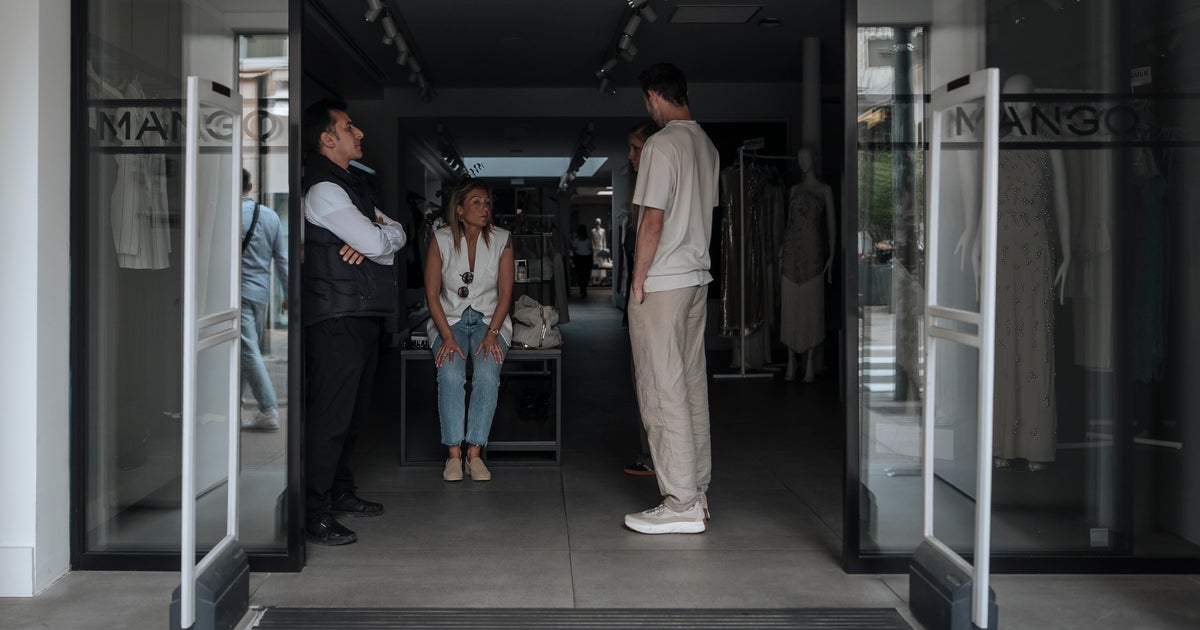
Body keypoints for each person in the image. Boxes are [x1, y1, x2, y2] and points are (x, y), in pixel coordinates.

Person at [301, 98, 408, 546]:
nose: (359, 132)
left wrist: (377, 238)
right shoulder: (326, 190)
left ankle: (339, 492)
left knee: (353, 415)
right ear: (327, 139)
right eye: (349, 128)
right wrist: (376, 240)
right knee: (332, 417)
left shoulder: (351, 187)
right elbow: (381, 245)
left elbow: (397, 233)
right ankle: (313, 511)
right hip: (336, 317)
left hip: (358, 313)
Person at [624, 63, 719, 535]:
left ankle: (680, 501)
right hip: (697, 277)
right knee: (691, 385)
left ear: (653, 97)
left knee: (661, 389)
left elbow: (654, 220)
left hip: (664, 280)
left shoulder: (662, 145)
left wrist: (637, 281)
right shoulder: (707, 146)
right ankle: (696, 490)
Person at [425, 178, 515, 483]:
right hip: (449, 319)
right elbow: (432, 293)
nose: (484, 208)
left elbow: (506, 293)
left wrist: (492, 333)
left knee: (487, 372)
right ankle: (453, 455)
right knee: (450, 372)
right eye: (476, 202)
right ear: (459, 210)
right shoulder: (440, 239)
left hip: (490, 319)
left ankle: (474, 453)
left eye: (487, 202)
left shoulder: (502, 239)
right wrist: (447, 338)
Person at [621, 119, 659, 477]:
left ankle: (655, 457)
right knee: (643, 377)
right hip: (643, 293)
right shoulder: (640, 192)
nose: (631, 156)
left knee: (651, 378)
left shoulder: (656, 192)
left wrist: (637, 287)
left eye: (636, 148)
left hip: (651, 293)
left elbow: (653, 232)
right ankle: (651, 453)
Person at [781, 146, 835, 383]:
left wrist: (832, 255)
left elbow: (831, 225)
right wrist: (782, 249)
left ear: (814, 158)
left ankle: (810, 361)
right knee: (790, 304)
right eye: (799, 158)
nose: (802, 162)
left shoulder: (824, 190)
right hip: (791, 251)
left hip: (813, 251)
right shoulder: (794, 190)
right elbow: (788, 223)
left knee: (811, 304)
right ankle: (791, 359)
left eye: (805, 157)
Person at [239, 169, 288, 431]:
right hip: (260, 294)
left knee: (248, 352)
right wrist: (289, 294)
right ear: (250, 185)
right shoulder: (271, 216)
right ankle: (234, 408)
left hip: (236, 294)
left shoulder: (228, 214)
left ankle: (268, 409)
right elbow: (282, 260)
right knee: (245, 352)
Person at [569, 224, 593, 298]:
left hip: (579, 258)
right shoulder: (588, 240)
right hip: (587, 258)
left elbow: (573, 248)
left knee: (580, 275)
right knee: (586, 275)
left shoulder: (576, 240)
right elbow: (591, 249)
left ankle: (582, 289)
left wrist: (577, 251)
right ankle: (584, 289)